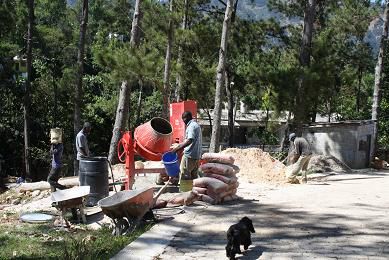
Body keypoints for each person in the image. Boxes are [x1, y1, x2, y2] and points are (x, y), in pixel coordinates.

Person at [169, 111, 203, 187]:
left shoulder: (191, 126)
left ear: (186, 118)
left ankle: (185, 193)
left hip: (189, 155)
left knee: (184, 174)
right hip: (196, 155)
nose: (183, 121)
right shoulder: (196, 125)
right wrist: (179, 145)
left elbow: (189, 140)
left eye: (183, 119)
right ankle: (194, 194)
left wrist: (176, 149)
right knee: (194, 176)